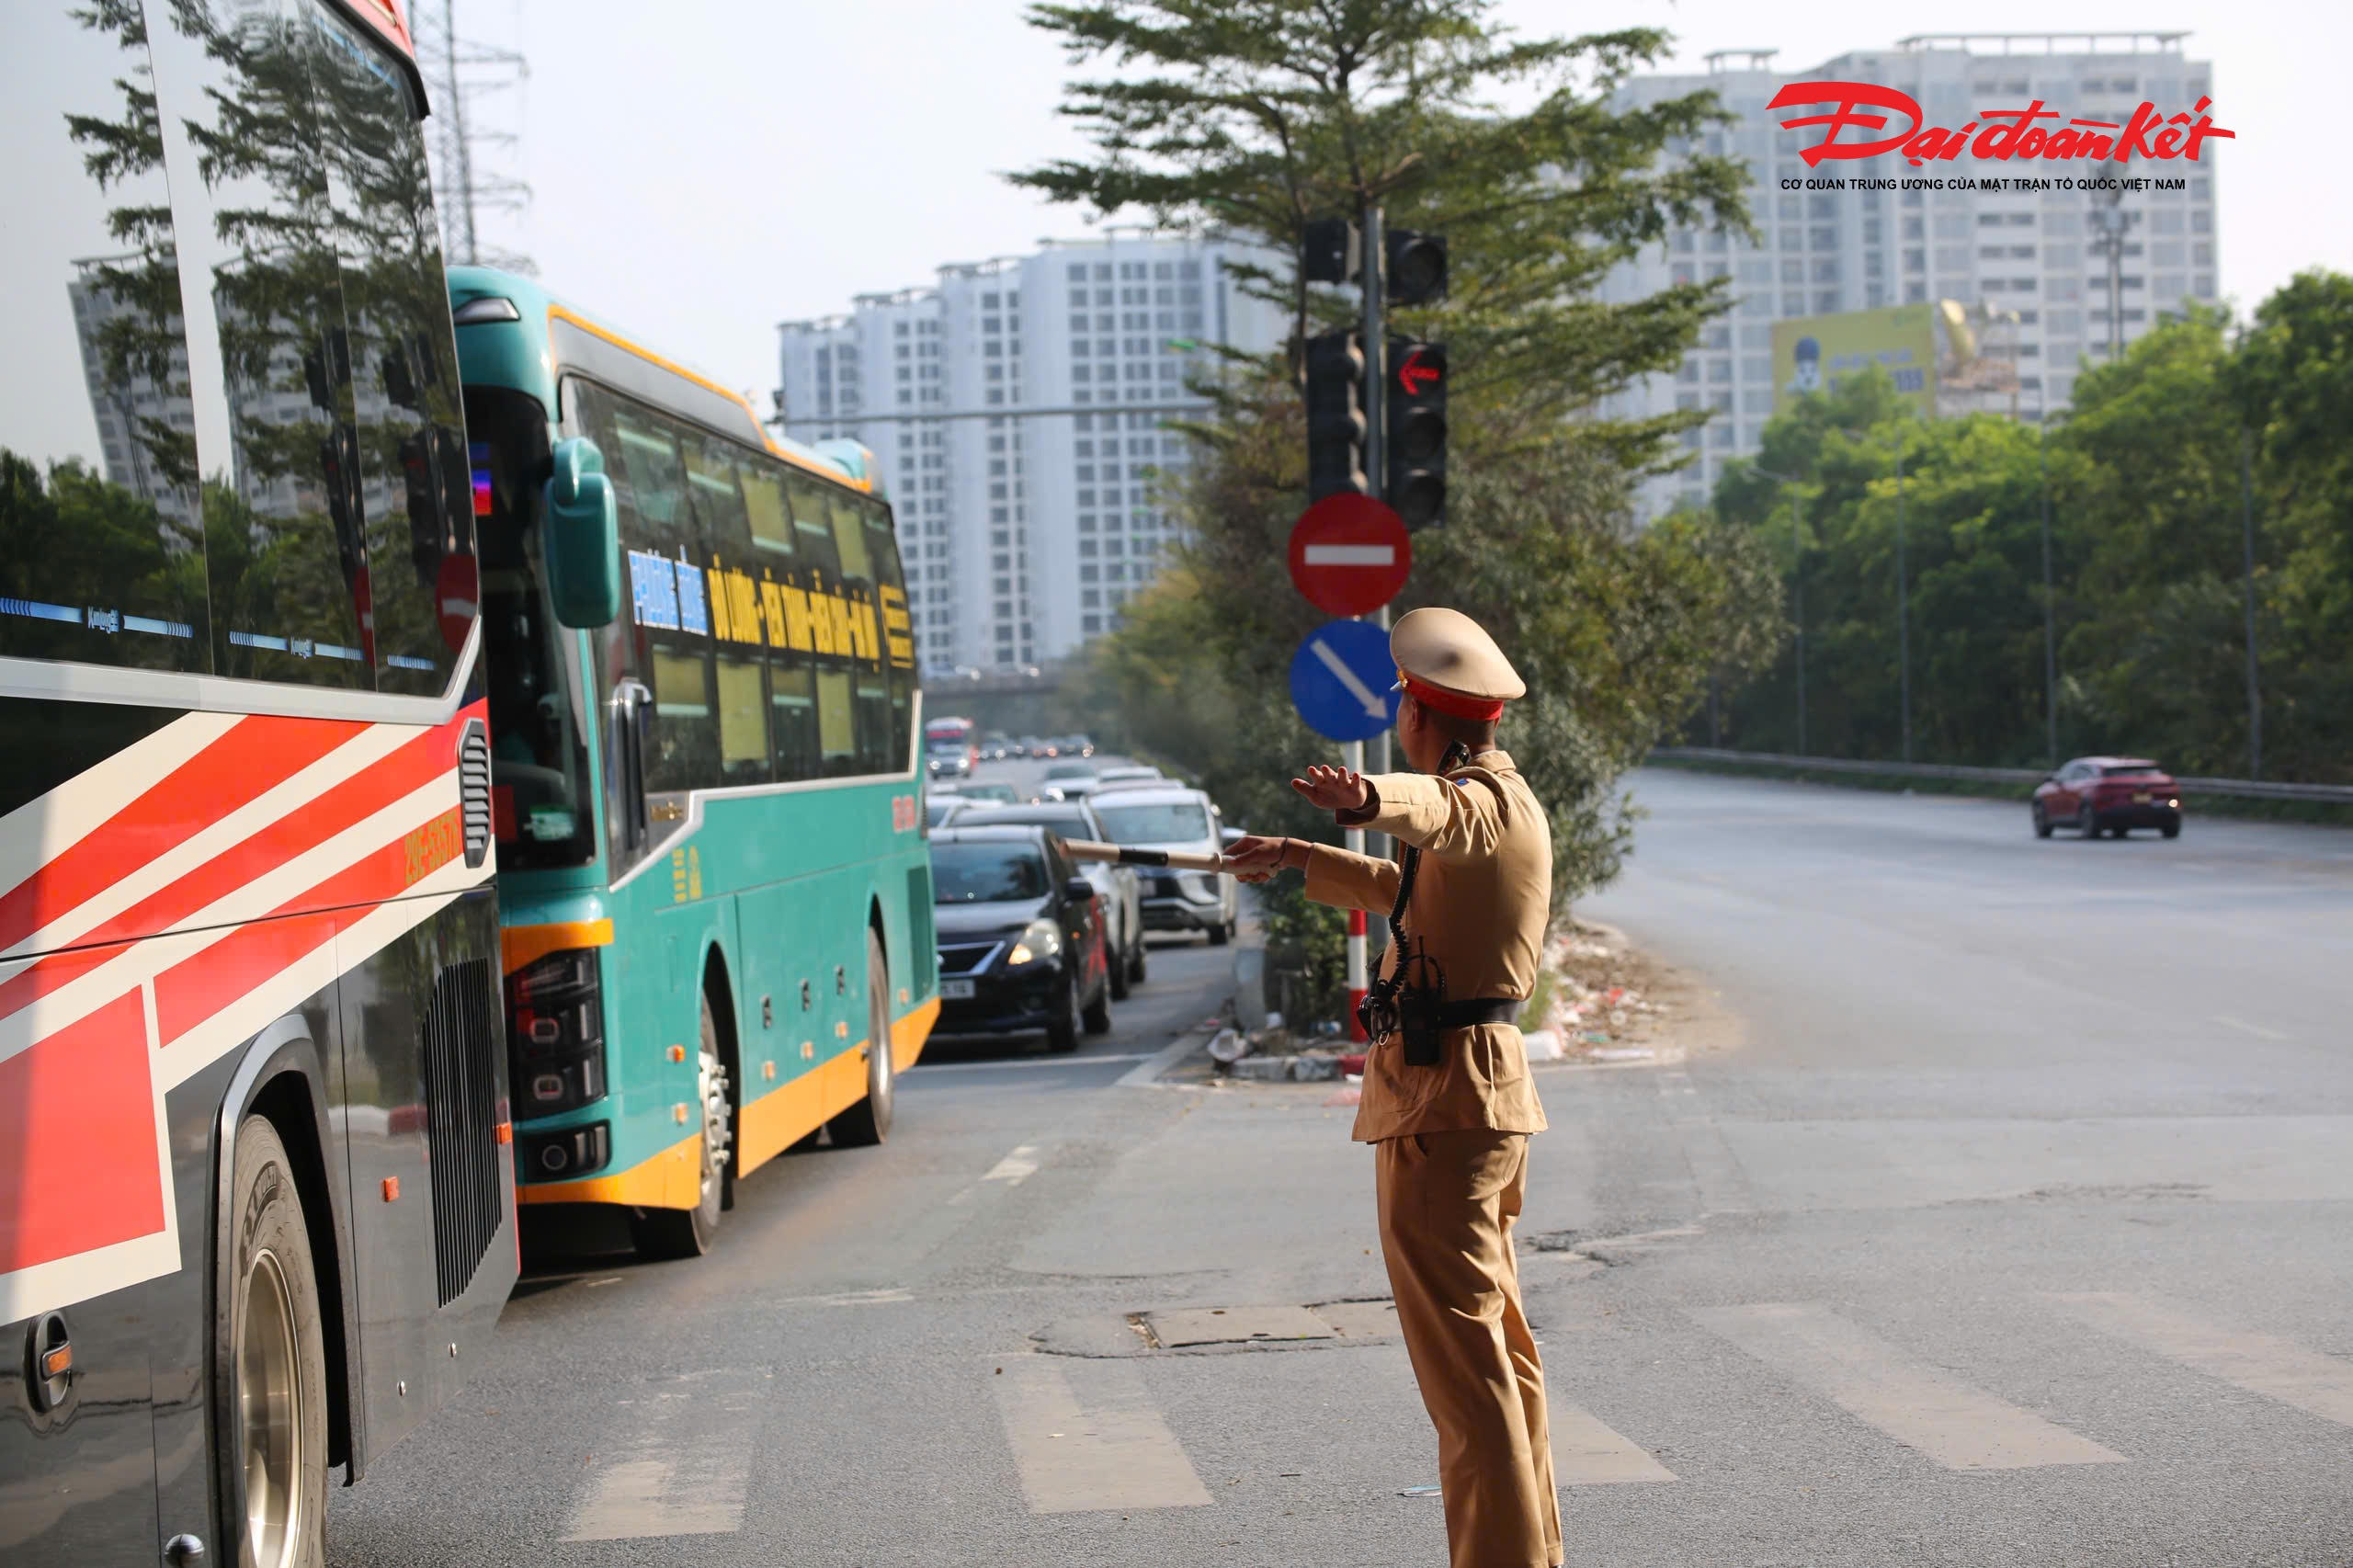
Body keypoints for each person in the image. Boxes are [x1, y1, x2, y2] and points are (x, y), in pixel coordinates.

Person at [1227, 606, 1559, 1568]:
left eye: (1404, 703)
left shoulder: (1474, 802)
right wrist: (1297, 854)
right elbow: (1408, 889)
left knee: (1468, 1380)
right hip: (1477, 1094)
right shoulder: (1508, 805)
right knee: (1498, 1357)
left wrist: (1368, 794)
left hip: (1444, 1101)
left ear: (1423, 718)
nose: (1400, 713)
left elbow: (1432, 812)